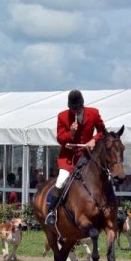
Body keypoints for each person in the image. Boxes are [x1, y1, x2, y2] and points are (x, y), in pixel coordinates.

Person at [45, 89, 106, 225]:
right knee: (61, 182)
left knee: (103, 176)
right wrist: (70, 133)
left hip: (87, 156)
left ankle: (110, 209)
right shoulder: (62, 116)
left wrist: (93, 140)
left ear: (82, 105)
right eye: (73, 109)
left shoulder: (94, 113)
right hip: (68, 158)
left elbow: (102, 131)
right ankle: (52, 212)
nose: (76, 111)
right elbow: (60, 139)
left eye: (78, 108)